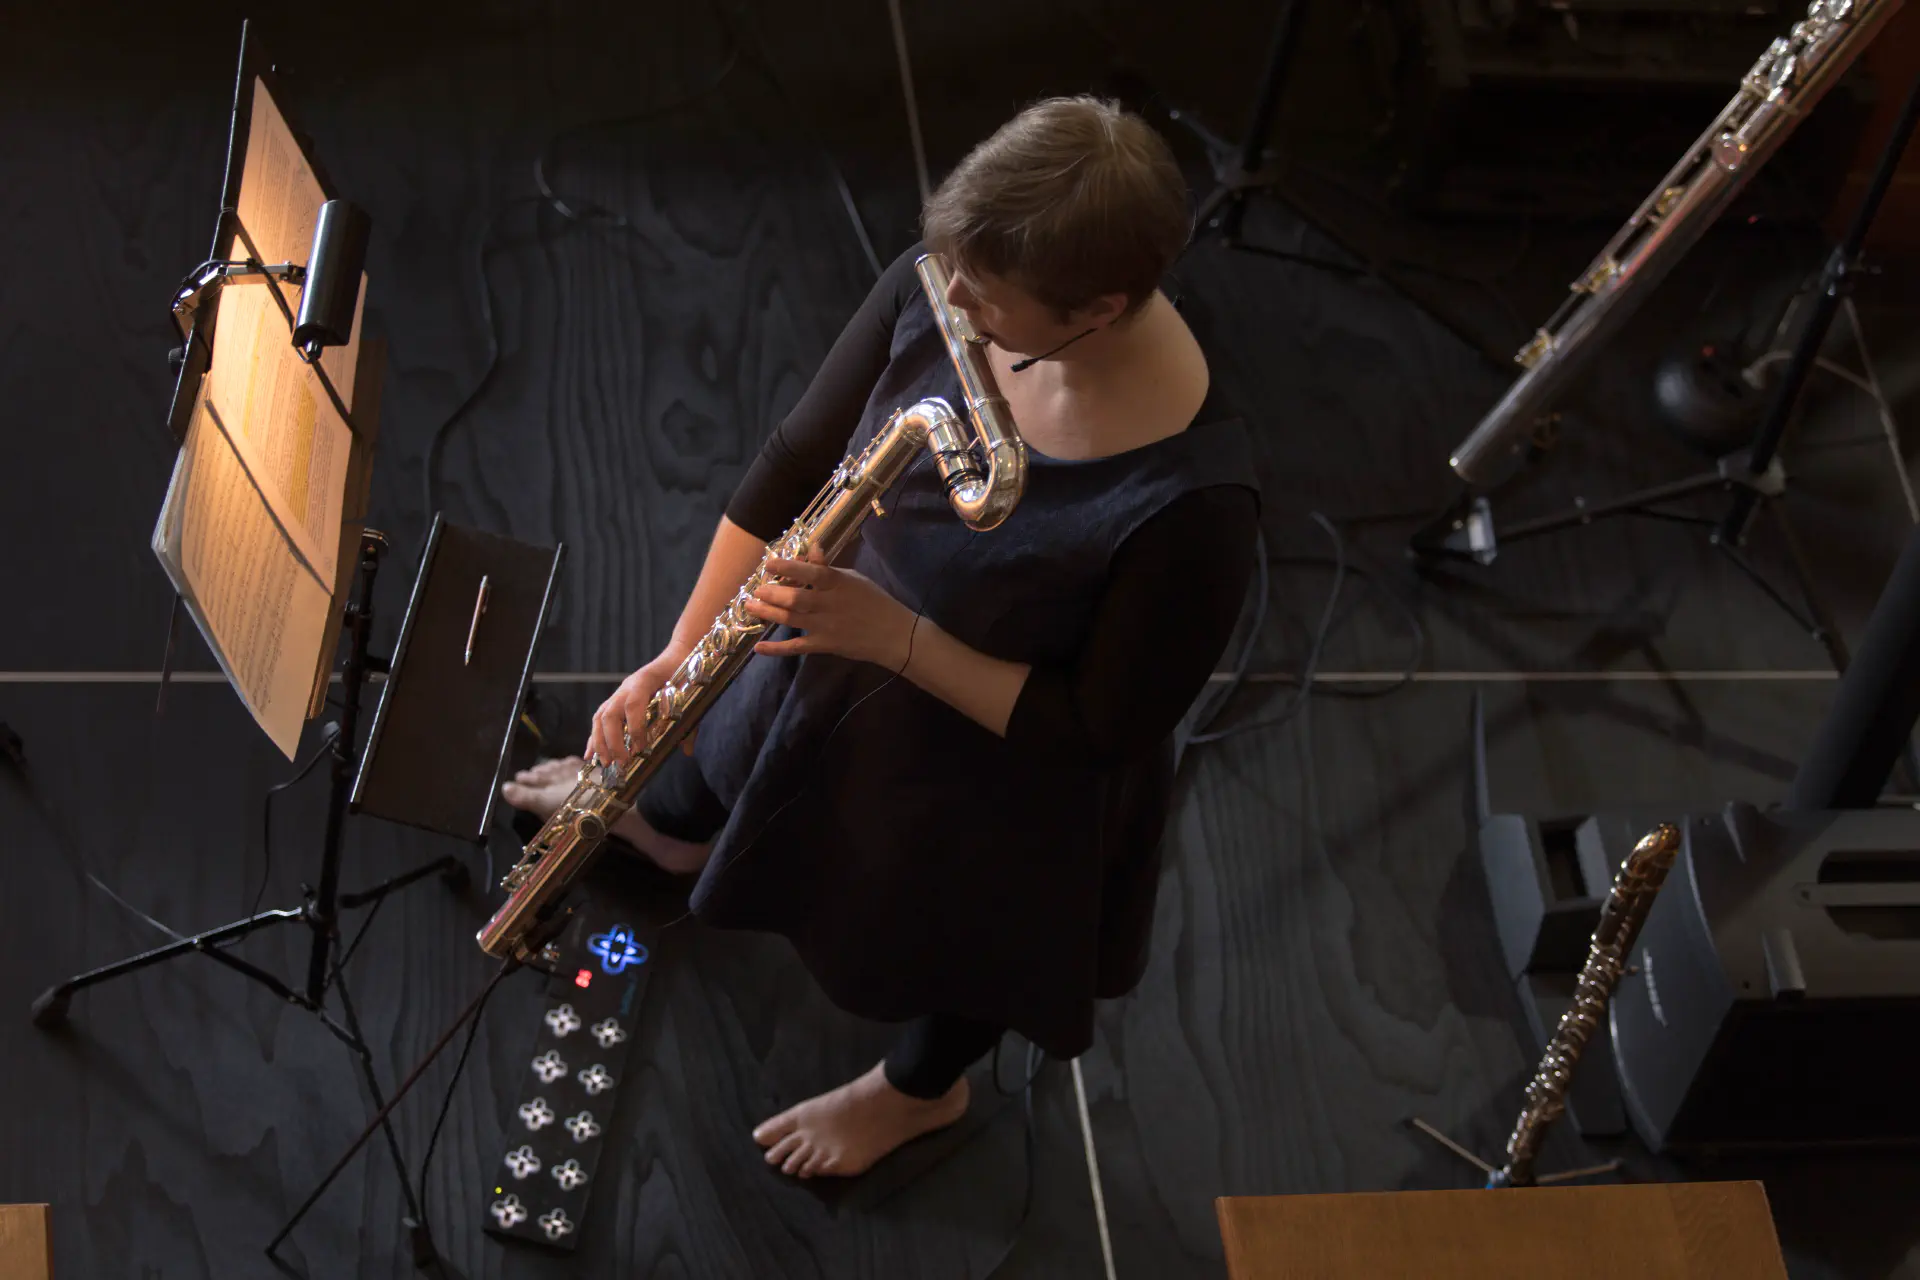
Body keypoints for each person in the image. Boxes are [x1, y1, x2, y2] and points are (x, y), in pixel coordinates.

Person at [503, 94, 1261, 1180]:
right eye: (951, 267)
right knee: (734, 742)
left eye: (985, 300)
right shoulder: (952, 279)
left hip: (994, 764)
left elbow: (1098, 728)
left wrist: (897, 639)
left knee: (960, 944)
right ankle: (676, 835)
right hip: (842, 638)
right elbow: (792, 461)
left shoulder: (1195, 505)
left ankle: (919, 1092)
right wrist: (679, 653)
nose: (949, 299)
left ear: (1098, 311)